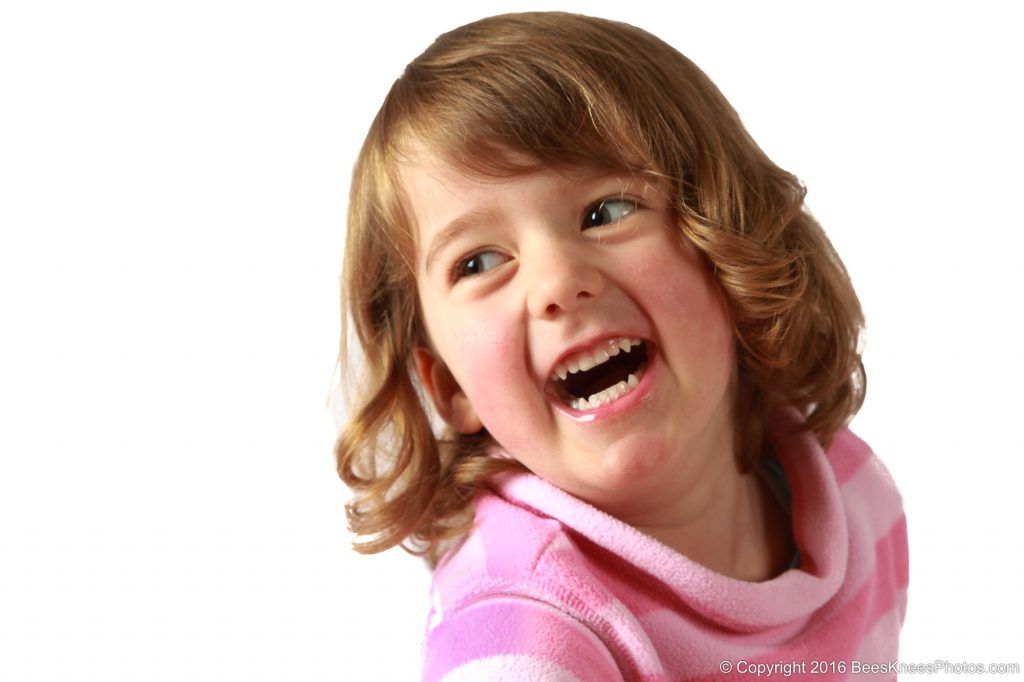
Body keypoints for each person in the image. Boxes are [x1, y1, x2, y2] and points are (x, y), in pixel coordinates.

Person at [335, 11, 908, 680]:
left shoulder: (853, 491)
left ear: (729, 244)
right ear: (451, 389)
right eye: (480, 262)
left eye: (605, 212)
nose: (558, 282)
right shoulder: (521, 638)